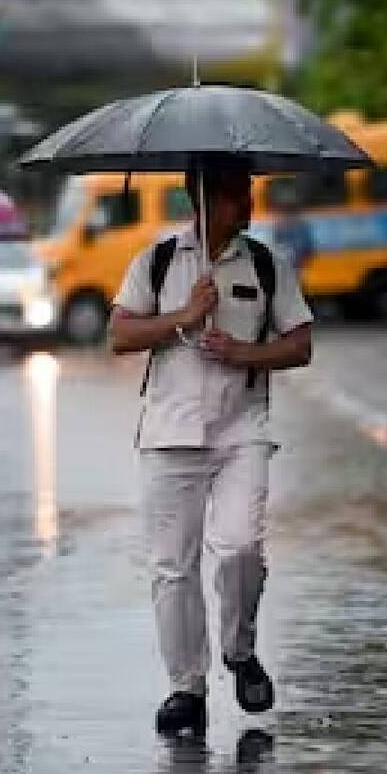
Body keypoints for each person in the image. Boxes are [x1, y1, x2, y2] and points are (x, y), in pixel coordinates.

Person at [109, 162, 314, 736]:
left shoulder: (266, 265)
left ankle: (239, 649)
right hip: (169, 434)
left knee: (240, 546)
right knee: (172, 568)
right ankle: (187, 688)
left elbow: (300, 344)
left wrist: (245, 353)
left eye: (247, 193)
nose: (246, 204)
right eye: (233, 195)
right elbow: (120, 335)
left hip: (241, 429)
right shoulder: (156, 262)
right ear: (200, 199)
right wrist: (183, 317)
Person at [271, 194, 314, 271]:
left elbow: (308, 246)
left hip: (296, 261)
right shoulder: (280, 226)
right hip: (289, 261)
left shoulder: (301, 226)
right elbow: (277, 243)